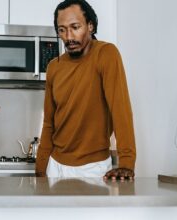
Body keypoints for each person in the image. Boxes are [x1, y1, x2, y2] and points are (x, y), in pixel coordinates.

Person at [36, 0, 136, 180]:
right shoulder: (54, 67)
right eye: (62, 30)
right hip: (55, 166)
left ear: (90, 26)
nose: (69, 37)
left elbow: (120, 111)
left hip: (93, 168)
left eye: (75, 27)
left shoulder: (106, 54)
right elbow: (49, 123)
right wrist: (40, 169)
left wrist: (127, 164)